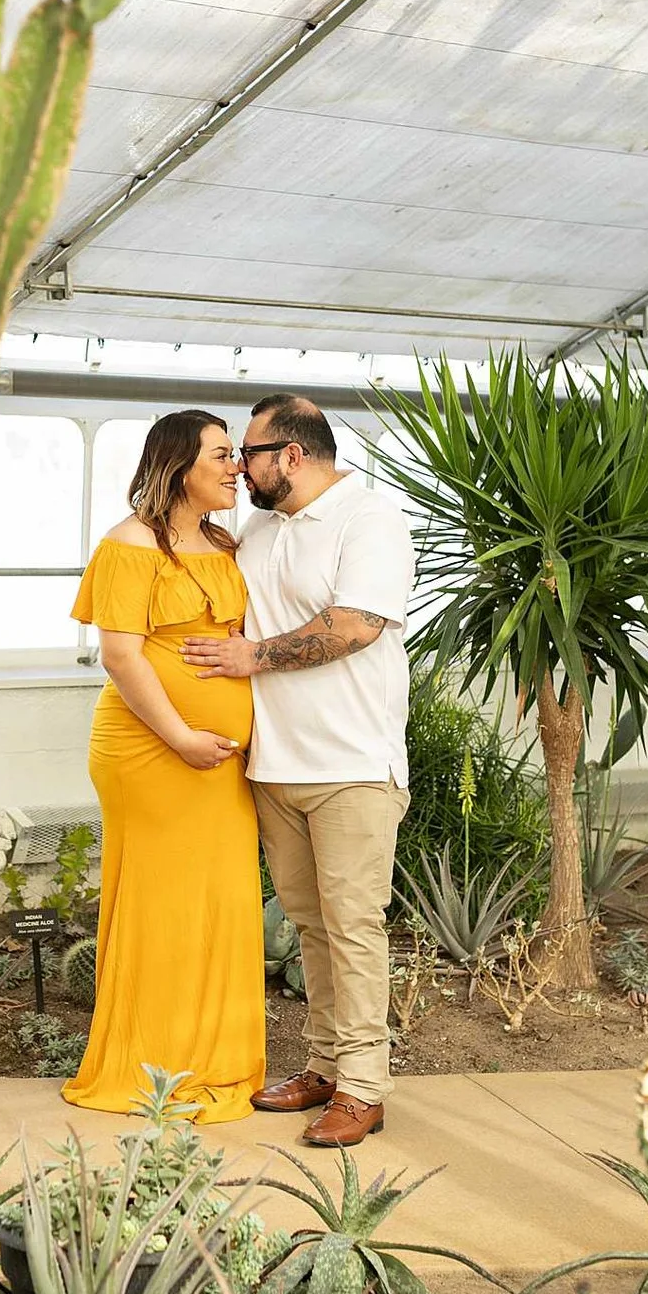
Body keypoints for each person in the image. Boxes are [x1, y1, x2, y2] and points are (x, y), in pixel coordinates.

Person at [184, 394, 415, 1149]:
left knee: (354, 927)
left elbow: (355, 625)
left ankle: (364, 1089)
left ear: (290, 455)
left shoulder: (369, 520)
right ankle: (323, 1065)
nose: (238, 467)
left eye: (247, 453)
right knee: (311, 925)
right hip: (275, 765)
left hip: (352, 765)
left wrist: (254, 656)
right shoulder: (261, 525)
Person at [63, 409, 265, 1123]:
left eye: (237, 454)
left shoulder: (225, 543)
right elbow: (120, 656)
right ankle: (150, 1067)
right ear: (179, 464)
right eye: (221, 454)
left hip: (218, 762)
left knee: (222, 900)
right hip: (150, 752)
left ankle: (211, 1057)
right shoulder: (127, 545)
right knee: (163, 905)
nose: (236, 466)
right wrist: (181, 735)